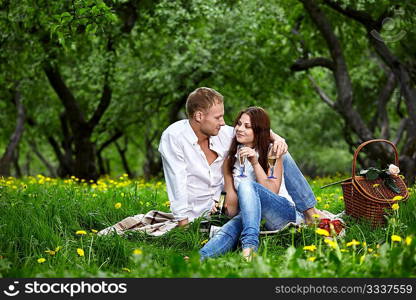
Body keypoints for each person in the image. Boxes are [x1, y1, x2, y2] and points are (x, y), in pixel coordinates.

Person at [199, 107, 323, 261]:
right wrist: (220, 205)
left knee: (246, 185)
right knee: (238, 220)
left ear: (258, 131)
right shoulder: (230, 160)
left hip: (283, 214)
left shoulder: (271, 153)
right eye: (238, 124)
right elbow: (231, 208)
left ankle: (250, 245)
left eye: (247, 126)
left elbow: (272, 190)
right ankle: (200, 258)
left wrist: (255, 162)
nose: (239, 129)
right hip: (254, 217)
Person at [158, 87, 288, 228]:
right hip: (198, 214)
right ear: (199, 116)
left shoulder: (222, 133)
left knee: (278, 150)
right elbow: (177, 182)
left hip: (225, 206)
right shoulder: (174, 137)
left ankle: (309, 210)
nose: (223, 122)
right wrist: (183, 225)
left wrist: (277, 138)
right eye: (218, 117)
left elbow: (256, 131)